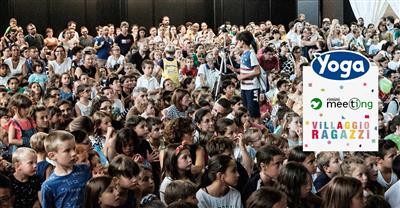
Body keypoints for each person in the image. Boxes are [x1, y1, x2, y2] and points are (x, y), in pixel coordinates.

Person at [41, 130, 91, 207]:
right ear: (52, 156)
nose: (74, 153)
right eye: (67, 150)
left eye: (74, 148)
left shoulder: (85, 169)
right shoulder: (48, 186)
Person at [236, 31, 261, 123]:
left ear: (242, 41)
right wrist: (235, 70)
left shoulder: (251, 54)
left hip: (252, 87)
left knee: (254, 114)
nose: (237, 43)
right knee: (246, 112)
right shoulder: (244, 54)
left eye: (238, 41)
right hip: (244, 87)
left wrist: (242, 77)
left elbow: (257, 71)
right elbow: (247, 69)